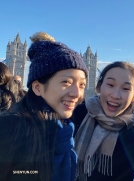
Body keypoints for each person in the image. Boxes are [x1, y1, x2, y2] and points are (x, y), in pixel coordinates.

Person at [0, 32, 88, 181]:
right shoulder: (9, 128)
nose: (76, 93)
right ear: (37, 87)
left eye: (82, 84)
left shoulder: (64, 131)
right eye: (66, 82)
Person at [73, 61, 134, 181]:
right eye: (110, 85)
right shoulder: (76, 114)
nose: (116, 95)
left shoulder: (132, 140)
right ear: (99, 86)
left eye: (126, 88)